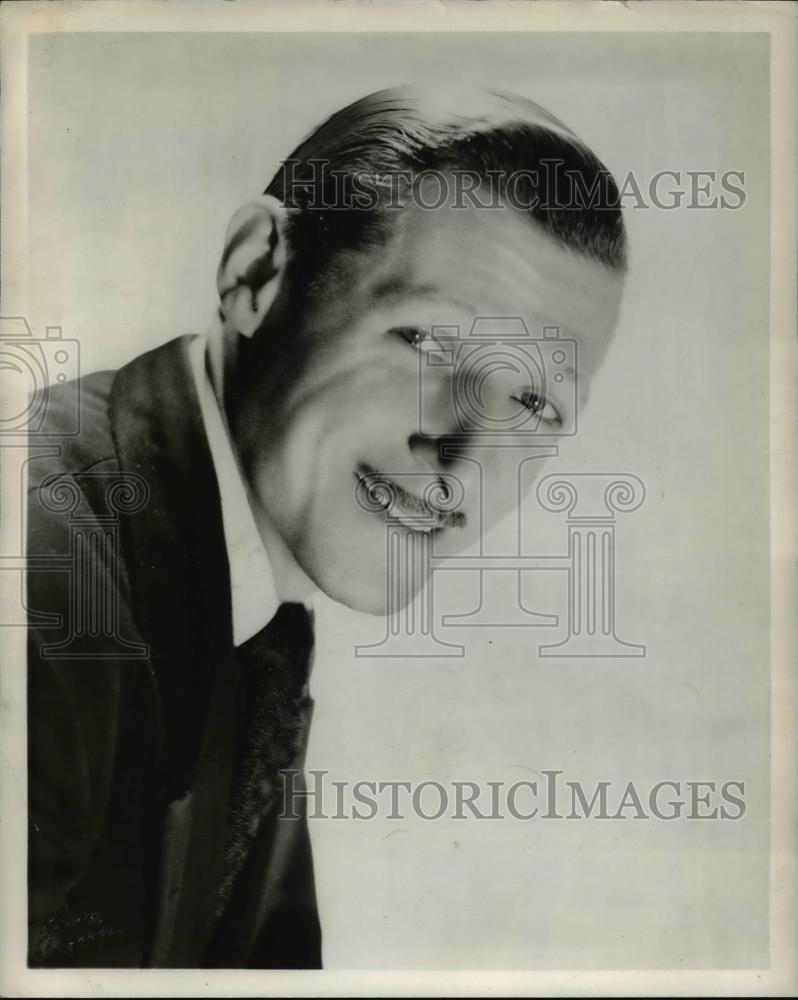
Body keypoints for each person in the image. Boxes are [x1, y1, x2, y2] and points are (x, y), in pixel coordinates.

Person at [26, 85, 628, 967]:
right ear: (254, 274)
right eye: (430, 345)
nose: (464, 455)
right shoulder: (47, 577)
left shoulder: (249, 608)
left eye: (535, 401)